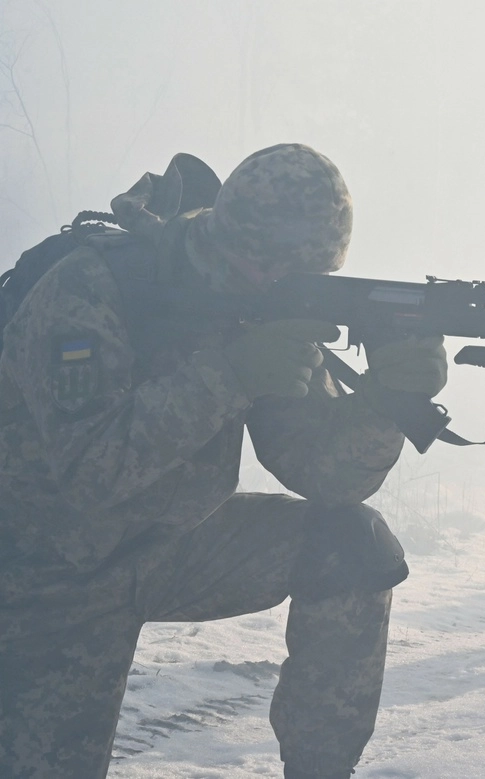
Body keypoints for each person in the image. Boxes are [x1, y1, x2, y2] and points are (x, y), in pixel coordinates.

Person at [0, 144, 447, 779]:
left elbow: (326, 476)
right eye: (261, 269)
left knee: (352, 542)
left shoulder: (264, 299)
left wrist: (384, 401)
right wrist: (230, 374)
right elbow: (89, 473)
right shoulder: (88, 287)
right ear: (222, 235)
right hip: (42, 575)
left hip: (170, 547)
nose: (273, 287)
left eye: (298, 279)